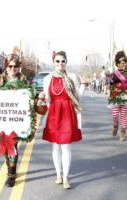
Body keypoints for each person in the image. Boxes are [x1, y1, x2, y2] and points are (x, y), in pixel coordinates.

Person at [39, 51, 86, 189]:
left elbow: (77, 96)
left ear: (66, 62)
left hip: (67, 113)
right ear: (54, 62)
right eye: (57, 61)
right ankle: (58, 174)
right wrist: (41, 98)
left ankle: (65, 177)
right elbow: (47, 99)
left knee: (66, 146)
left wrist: (82, 85)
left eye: (63, 61)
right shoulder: (47, 78)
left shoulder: (71, 77)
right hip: (54, 113)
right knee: (55, 146)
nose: (60, 63)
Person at [0, 54, 28, 187]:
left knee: (12, 145)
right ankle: (9, 167)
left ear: (19, 68)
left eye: (16, 66)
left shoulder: (23, 81)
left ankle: (11, 175)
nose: (13, 68)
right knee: (5, 147)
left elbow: (29, 97)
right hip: (1, 120)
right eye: (10, 66)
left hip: (16, 120)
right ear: (6, 67)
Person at [108, 51, 127, 143]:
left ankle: (123, 132)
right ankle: (115, 126)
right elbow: (110, 83)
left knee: (124, 116)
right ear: (118, 64)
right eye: (122, 63)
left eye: (125, 62)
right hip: (115, 96)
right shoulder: (114, 73)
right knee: (114, 115)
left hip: (126, 96)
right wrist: (108, 77)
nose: (124, 64)